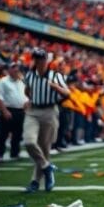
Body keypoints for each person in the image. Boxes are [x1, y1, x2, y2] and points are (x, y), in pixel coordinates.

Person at [23, 48, 69, 192]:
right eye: (36, 58)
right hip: (33, 111)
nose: (39, 61)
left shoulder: (55, 76)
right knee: (29, 141)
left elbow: (67, 93)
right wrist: (30, 99)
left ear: (46, 60)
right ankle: (47, 167)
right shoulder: (30, 75)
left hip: (49, 111)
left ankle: (35, 182)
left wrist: (54, 86)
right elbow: (27, 89)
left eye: (42, 58)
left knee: (44, 149)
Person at [0, 61, 26, 161]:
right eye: (14, 68)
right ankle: (0, 154)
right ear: (9, 70)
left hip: (20, 110)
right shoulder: (3, 81)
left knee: (18, 133)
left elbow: (25, 96)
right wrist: (4, 111)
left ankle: (15, 153)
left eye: (17, 69)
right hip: (8, 109)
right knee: (3, 134)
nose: (16, 71)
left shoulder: (21, 81)